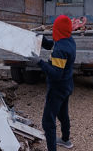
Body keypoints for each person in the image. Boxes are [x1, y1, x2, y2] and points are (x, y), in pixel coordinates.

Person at [28, 15, 76, 151]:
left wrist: (39, 62)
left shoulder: (60, 50)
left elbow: (55, 74)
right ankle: (66, 140)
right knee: (62, 114)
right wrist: (41, 38)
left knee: (48, 122)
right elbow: (51, 45)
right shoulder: (68, 40)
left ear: (57, 30)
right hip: (67, 86)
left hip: (57, 88)